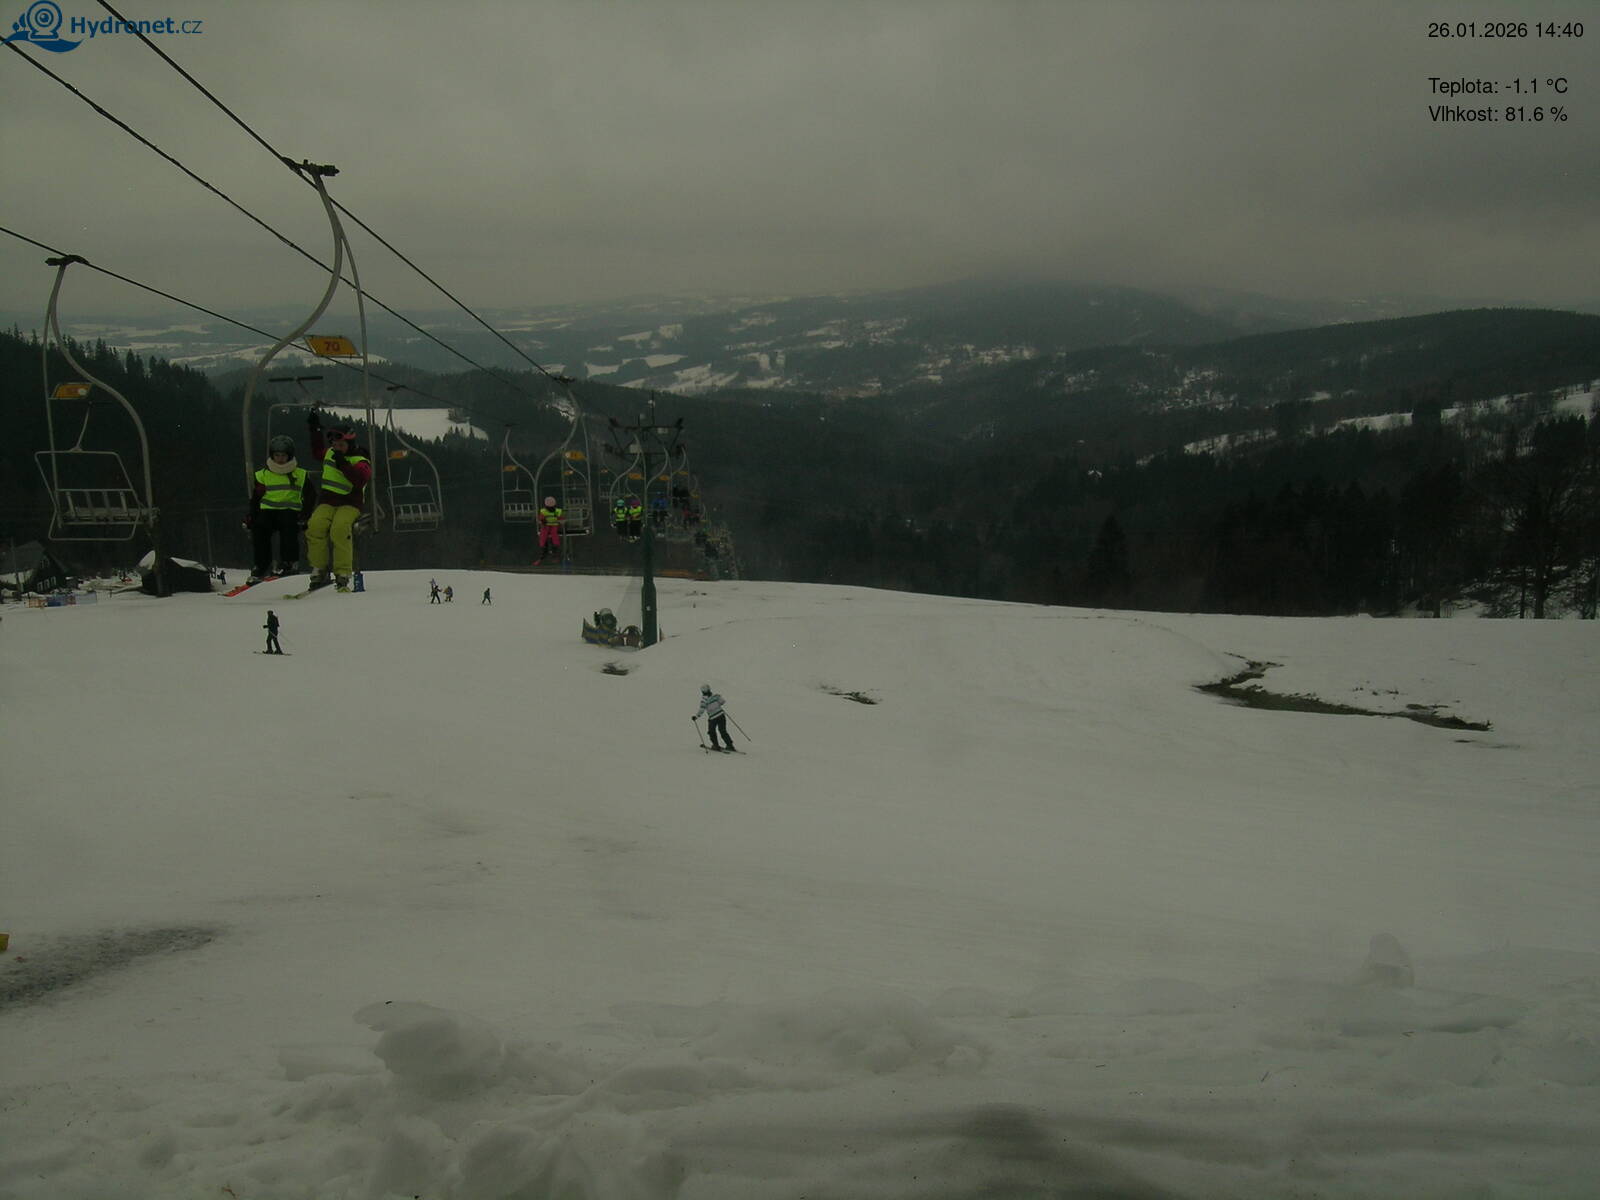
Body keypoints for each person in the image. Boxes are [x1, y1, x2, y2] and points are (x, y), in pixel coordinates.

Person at [304, 414, 372, 591]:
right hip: (328, 501)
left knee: (340, 529)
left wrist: (343, 465)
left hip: (350, 503)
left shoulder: (360, 460)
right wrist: (315, 431)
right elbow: (317, 451)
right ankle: (319, 568)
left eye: (341, 445)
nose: (337, 449)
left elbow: (360, 480)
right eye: (335, 445)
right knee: (315, 526)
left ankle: (342, 572)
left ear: (350, 444)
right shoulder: (330, 453)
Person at [244, 435, 314, 583]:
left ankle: (289, 563)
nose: (280, 459)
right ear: (272, 456)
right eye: (277, 455)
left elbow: (310, 496)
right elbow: (256, 498)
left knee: (288, 529)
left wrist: (305, 515)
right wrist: (251, 516)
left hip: (290, 511)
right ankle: (261, 565)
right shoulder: (263, 475)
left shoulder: (300, 474)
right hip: (268, 511)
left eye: (283, 455)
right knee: (259, 529)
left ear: (289, 456)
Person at [695, 682, 735, 752]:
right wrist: (717, 704)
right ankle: (730, 745)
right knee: (723, 731)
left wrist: (696, 716)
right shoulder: (716, 696)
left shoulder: (704, 700)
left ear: (702, 691)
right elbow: (722, 701)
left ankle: (716, 745)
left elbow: (702, 709)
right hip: (721, 715)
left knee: (711, 731)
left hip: (713, 718)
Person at [536, 496, 563, 563]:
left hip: (554, 525)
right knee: (544, 534)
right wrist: (543, 520)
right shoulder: (544, 511)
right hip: (546, 525)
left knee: (554, 534)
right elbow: (540, 518)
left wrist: (560, 521)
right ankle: (545, 549)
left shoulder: (557, 511)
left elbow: (561, 518)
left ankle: (554, 550)